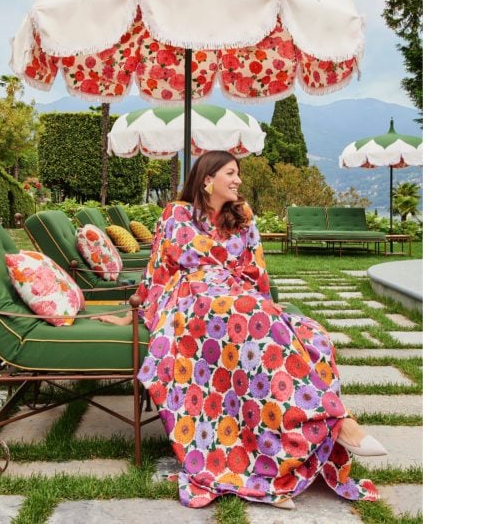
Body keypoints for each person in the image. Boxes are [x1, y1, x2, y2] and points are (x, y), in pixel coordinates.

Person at [94, 150, 386, 510]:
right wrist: (131, 315)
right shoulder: (177, 214)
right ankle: (338, 423)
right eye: (231, 173)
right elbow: (157, 268)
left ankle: (279, 453)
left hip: (238, 298)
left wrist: (272, 314)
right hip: (190, 299)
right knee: (248, 313)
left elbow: (257, 271)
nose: (238, 180)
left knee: (312, 334)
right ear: (207, 179)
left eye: (238, 174)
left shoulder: (243, 217)